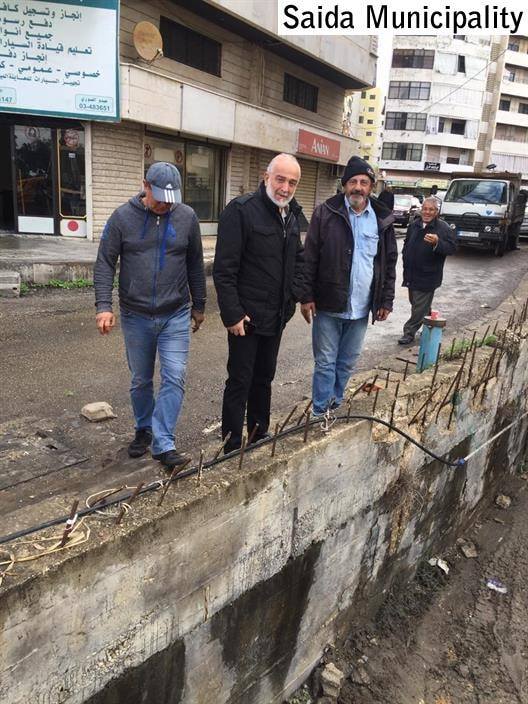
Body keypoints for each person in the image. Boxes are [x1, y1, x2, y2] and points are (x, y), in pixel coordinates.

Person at [94, 162, 206, 469]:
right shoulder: (122, 217)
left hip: (175, 313)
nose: (165, 205)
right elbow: (105, 262)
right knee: (141, 379)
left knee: (175, 376)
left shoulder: (186, 217)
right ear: (145, 186)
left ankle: (163, 443)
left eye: (171, 199)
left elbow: (195, 263)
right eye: (159, 198)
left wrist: (199, 305)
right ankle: (144, 428)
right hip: (136, 314)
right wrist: (103, 306)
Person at [213, 153, 304, 453]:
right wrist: (232, 314)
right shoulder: (241, 211)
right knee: (240, 380)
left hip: (276, 316)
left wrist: (292, 298)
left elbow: (299, 261)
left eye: (292, 182)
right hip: (246, 318)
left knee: (264, 378)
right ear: (266, 177)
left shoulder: (291, 215)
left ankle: (257, 433)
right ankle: (230, 444)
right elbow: (224, 270)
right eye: (280, 179)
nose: (285, 188)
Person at [301, 156, 398, 416]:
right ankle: (320, 412)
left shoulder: (382, 219)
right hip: (328, 303)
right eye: (353, 181)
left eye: (364, 182)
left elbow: (389, 262)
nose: (358, 187)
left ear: (371, 187)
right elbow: (309, 257)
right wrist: (306, 296)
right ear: (344, 185)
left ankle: (334, 404)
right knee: (325, 362)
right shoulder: (325, 212)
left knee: (346, 362)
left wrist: (386, 300)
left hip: (361, 306)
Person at [398, 196, 456, 345]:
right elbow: (407, 243)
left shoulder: (443, 228)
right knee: (416, 303)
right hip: (411, 274)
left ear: (436, 212)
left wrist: (437, 242)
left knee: (418, 306)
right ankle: (430, 320)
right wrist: (405, 255)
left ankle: (409, 332)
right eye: (425, 209)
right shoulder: (414, 225)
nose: (427, 212)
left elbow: (451, 248)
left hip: (428, 275)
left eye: (431, 210)